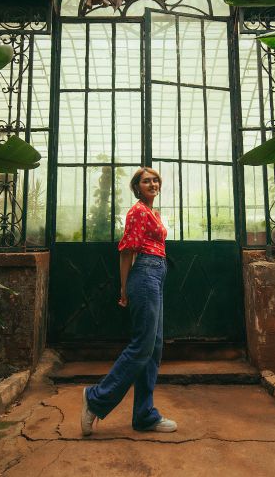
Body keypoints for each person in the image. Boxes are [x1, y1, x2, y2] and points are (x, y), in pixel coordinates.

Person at [80, 167, 177, 435]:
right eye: (147, 181)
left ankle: (144, 416)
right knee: (142, 345)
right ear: (137, 187)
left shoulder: (152, 213)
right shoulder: (137, 212)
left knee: (154, 348)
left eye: (156, 179)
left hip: (155, 274)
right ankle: (96, 398)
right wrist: (124, 289)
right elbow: (126, 252)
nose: (153, 183)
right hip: (144, 274)